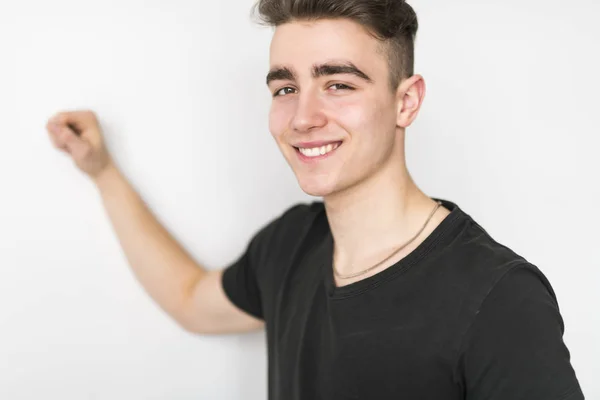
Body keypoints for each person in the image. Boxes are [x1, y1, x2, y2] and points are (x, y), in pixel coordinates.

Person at [45, 0, 584, 399]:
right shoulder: (290, 244)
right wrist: (103, 172)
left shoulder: (499, 298)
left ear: (406, 101)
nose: (302, 117)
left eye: (338, 84)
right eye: (285, 88)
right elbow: (189, 299)